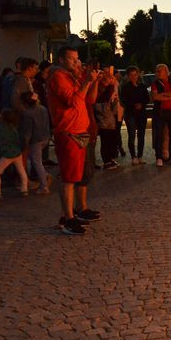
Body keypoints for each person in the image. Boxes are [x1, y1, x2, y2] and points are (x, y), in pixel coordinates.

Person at [47, 45, 101, 235]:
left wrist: (93, 81)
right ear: (61, 59)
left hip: (80, 130)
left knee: (76, 175)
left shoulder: (71, 76)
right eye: (72, 59)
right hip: (68, 131)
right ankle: (68, 219)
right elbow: (72, 101)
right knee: (69, 177)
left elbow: (89, 100)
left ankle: (69, 214)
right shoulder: (58, 77)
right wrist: (86, 81)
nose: (76, 62)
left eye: (77, 59)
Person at [0, 108, 28, 201]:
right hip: (17, 152)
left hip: (6, 154)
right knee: (21, 170)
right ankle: (24, 188)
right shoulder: (13, 128)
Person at [20, 89, 52, 194]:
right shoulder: (43, 108)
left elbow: (27, 131)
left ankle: (44, 185)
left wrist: (25, 142)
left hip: (35, 140)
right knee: (37, 161)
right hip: (45, 137)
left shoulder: (28, 114)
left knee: (36, 162)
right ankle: (45, 176)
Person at [151, 64, 171, 167]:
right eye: (157, 71)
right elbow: (155, 97)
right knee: (159, 135)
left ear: (166, 72)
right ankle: (159, 157)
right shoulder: (155, 83)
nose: (158, 73)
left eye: (160, 71)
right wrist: (170, 95)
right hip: (160, 112)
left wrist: (164, 94)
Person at [93, 66, 122, 170]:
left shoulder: (111, 85)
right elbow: (104, 95)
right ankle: (106, 161)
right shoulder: (100, 86)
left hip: (110, 110)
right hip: (102, 109)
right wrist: (109, 82)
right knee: (105, 137)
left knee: (111, 137)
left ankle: (110, 158)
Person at [120, 66, 149, 165]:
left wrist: (141, 104)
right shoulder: (125, 87)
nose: (133, 77)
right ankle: (133, 156)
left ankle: (140, 156)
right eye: (131, 75)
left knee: (141, 135)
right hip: (130, 113)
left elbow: (147, 98)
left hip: (141, 113)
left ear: (138, 75)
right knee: (131, 135)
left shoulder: (142, 86)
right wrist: (133, 105)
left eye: (135, 74)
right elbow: (123, 100)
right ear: (128, 76)